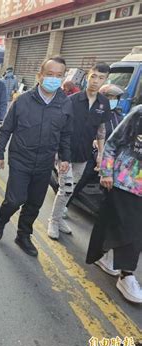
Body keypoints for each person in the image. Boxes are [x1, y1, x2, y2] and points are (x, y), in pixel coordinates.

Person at [0, 56, 73, 257]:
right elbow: (6, 129)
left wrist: (65, 158)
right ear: (40, 76)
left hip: (45, 162)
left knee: (35, 203)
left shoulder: (64, 103)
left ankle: (23, 235)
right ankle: (1, 219)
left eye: (58, 75)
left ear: (63, 78)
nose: (53, 79)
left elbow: (66, 134)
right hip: (21, 159)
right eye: (49, 74)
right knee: (15, 199)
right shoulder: (24, 100)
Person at [47, 62, 112, 240]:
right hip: (66, 153)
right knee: (65, 188)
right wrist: (58, 154)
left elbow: (101, 130)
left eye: (101, 78)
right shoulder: (72, 100)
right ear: (87, 77)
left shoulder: (103, 103)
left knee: (71, 189)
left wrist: (100, 154)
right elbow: (58, 127)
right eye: (93, 76)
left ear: (105, 80)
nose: (96, 81)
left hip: (83, 155)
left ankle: (59, 218)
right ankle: (53, 220)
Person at [86, 105, 142, 303]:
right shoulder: (139, 113)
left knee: (124, 227)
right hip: (127, 182)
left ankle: (107, 255)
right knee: (132, 231)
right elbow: (112, 144)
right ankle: (126, 275)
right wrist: (106, 172)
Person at [68, 84, 125, 207]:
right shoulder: (95, 112)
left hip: (109, 159)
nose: (112, 100)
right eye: (110, 97)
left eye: (115, 98)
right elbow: (91, 133)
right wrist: (98, 150)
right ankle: (66, 204)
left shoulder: (119, 117)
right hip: (92, 154)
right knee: (81, 179)